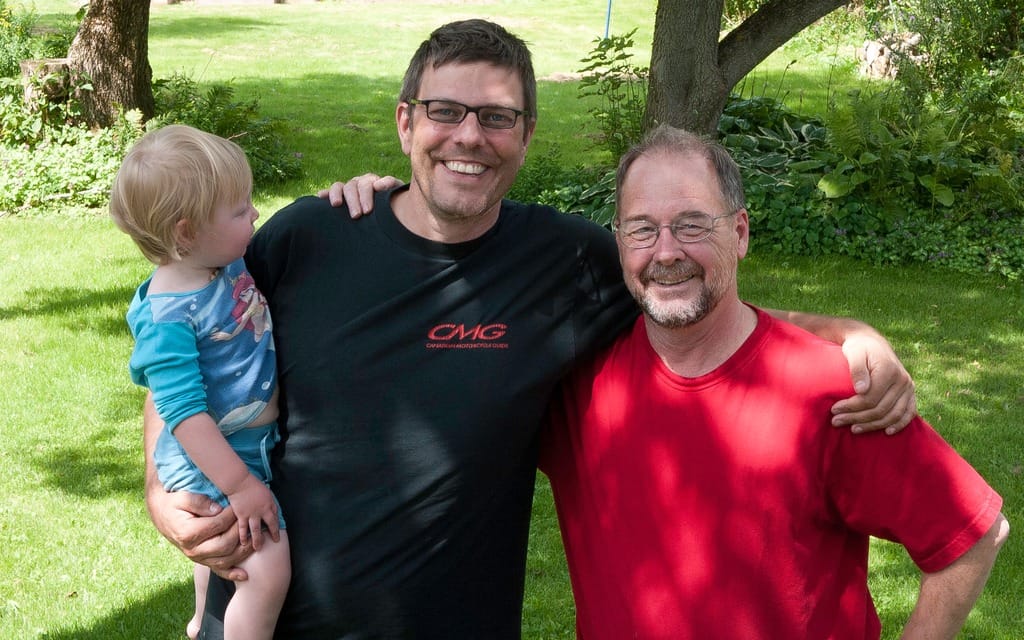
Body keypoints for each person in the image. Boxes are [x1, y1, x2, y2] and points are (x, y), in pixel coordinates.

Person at [144, 20, 916, 639]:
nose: (468, 136)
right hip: (266, 615)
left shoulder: (566, 261)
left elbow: (699, 309)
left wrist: (847, 330)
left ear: (526, 133)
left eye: (496, 117)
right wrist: (158, 488)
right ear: (406, 122)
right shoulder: (308, 236)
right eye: (445, 111)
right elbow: (185, 345)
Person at [540, 124, 1009, 639]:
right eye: (642, 229)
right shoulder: (577, 385)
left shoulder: (831, 390)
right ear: (619, 243)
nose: (666, 251)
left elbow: (972, 534)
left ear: (740, 233)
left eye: (692, 225)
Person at [111, 125, 290, 640]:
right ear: (186, 233)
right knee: (266, 565)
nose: (255, 213)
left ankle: (201, 620)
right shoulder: (168, 319)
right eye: (240, 209)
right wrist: (240, 486)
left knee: (225, 556)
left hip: (243, 443)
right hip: (211, 459)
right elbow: (184, 413)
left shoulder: (219, 264)